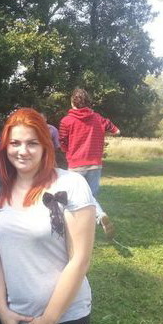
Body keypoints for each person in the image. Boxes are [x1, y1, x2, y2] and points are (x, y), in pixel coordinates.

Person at [0, 108, 96, 324]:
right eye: (15, 143)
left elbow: (80, 259)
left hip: (64, 320)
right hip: (14, 320)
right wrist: (2, 310)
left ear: (45, 146)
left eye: (32, 143)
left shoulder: (71, 185)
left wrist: (49, 320)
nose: (22, 151)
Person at [59, 88, 120, 238]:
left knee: (74, 195)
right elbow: (117, 131)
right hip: (95, 164)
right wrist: (100, 133)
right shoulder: (98, 118)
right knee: (91, 196)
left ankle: (82, 223)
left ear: (72, 102)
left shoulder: (66, 121)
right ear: (88, 102)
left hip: (76, 164)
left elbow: (62, 142)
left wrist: (68, 151)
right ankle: (98, 216)